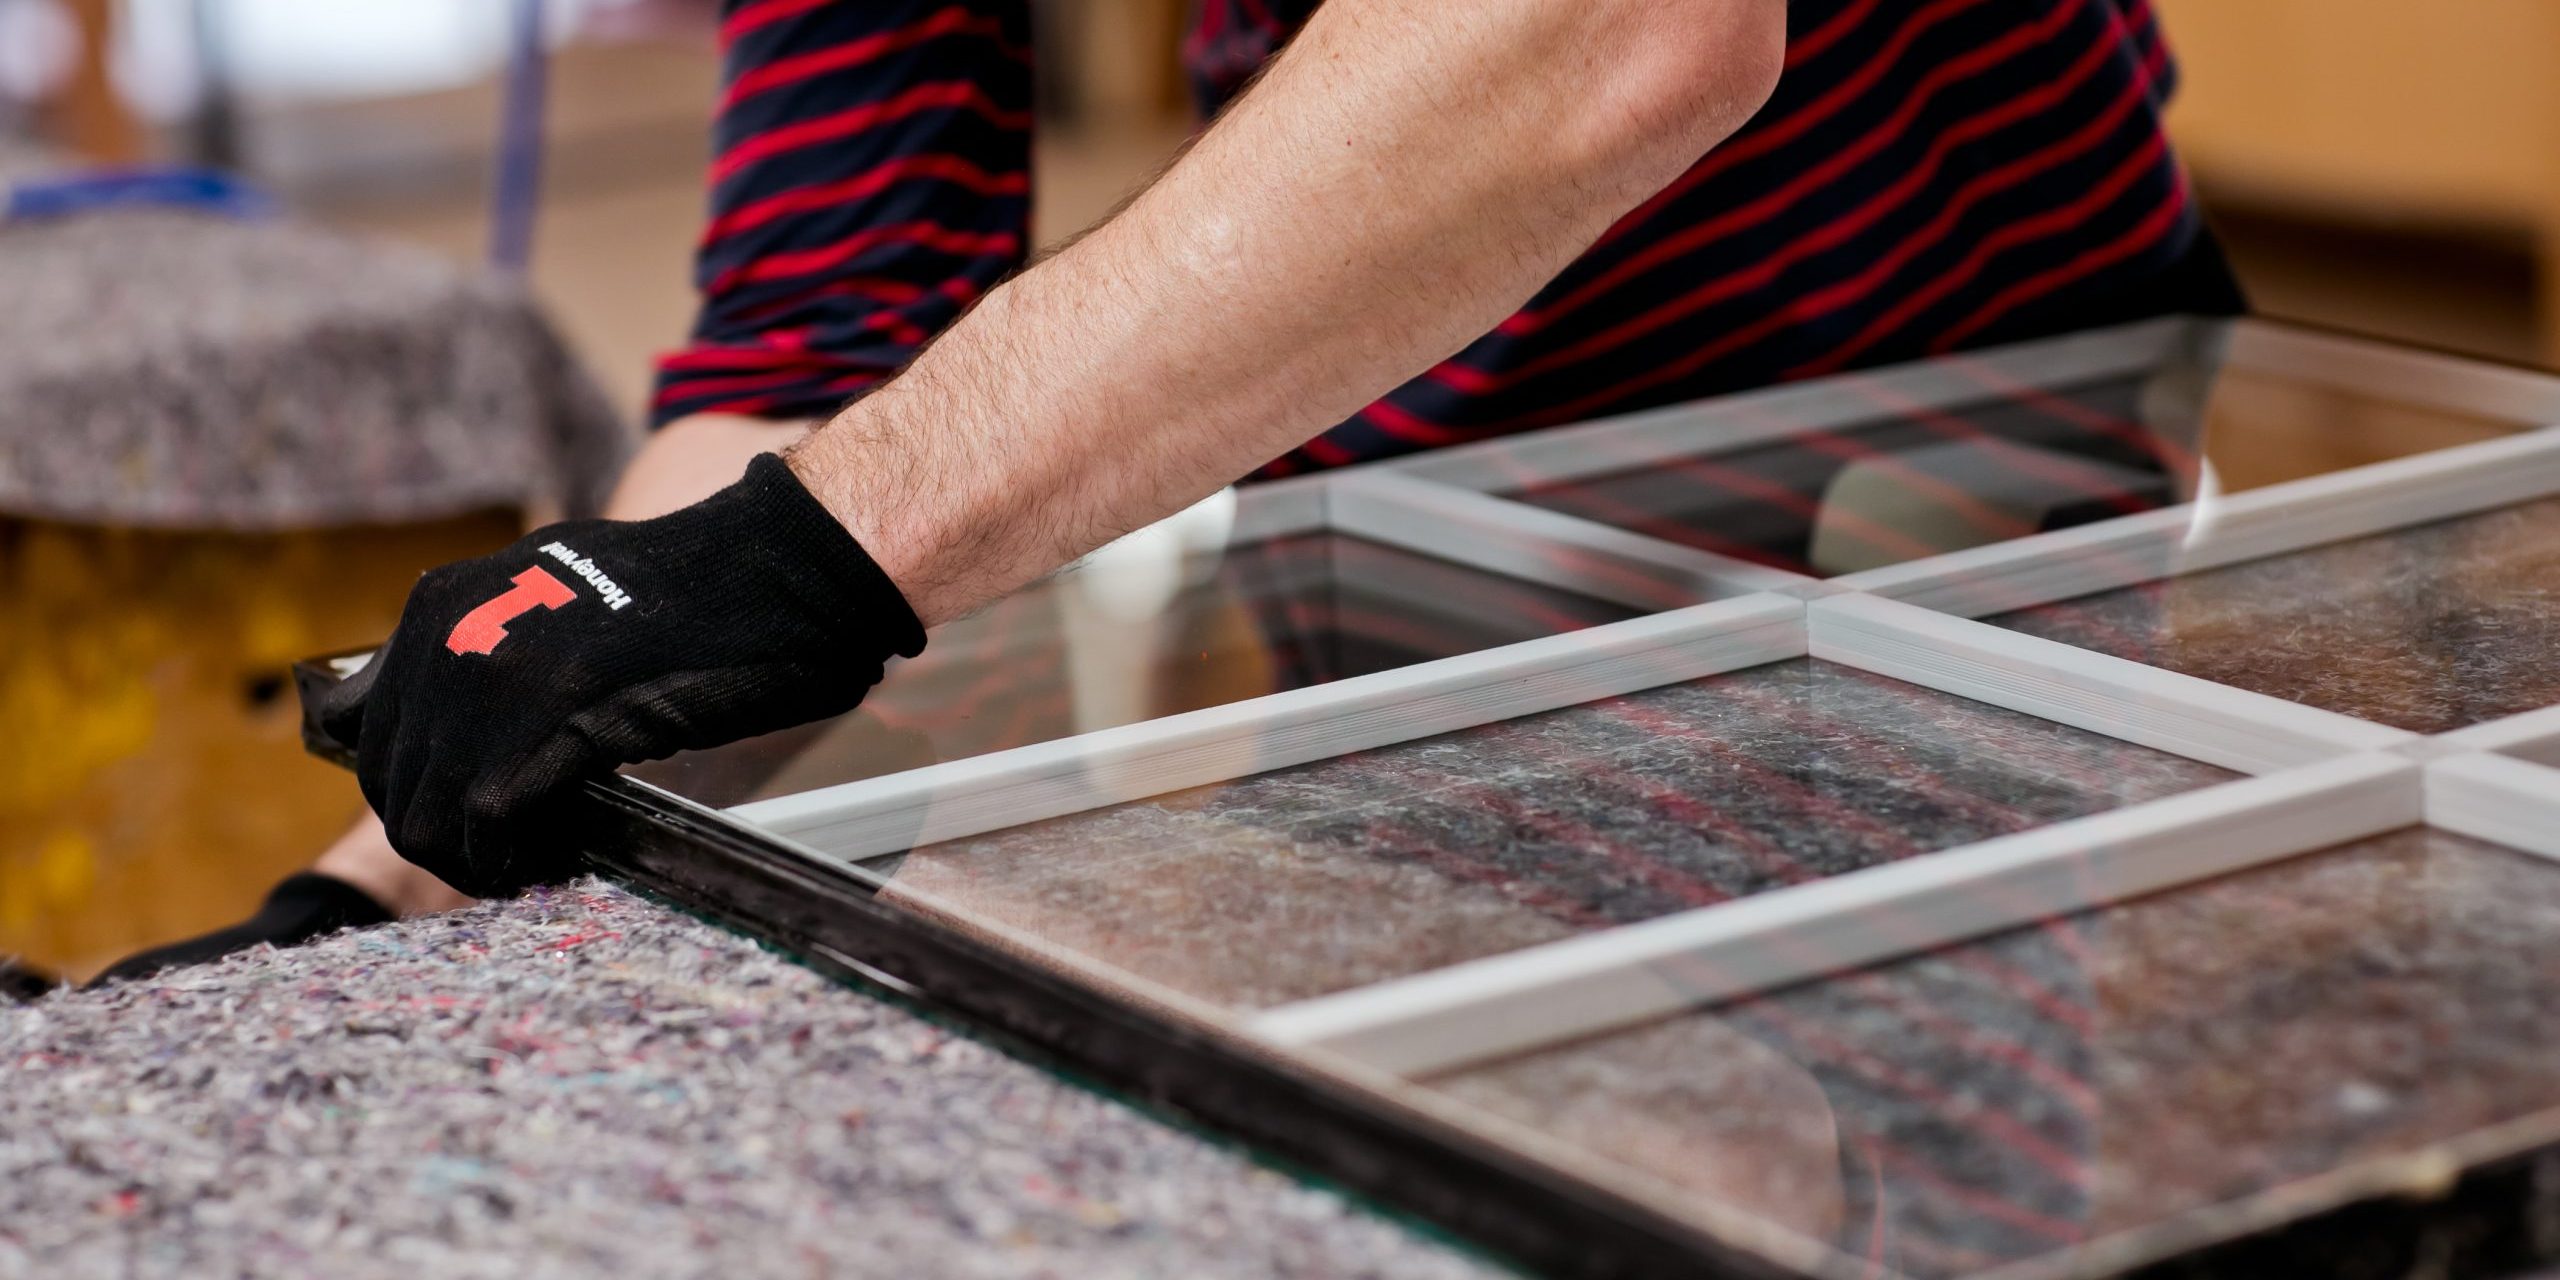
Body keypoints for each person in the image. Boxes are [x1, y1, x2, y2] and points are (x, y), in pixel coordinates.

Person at [105, 0, 2241, 973]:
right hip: (1417, 443)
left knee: (1933, 1131)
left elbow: (1613, 31)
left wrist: (803, 553)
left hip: (1938, 397)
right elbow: (815, 328)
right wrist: (364, 897)